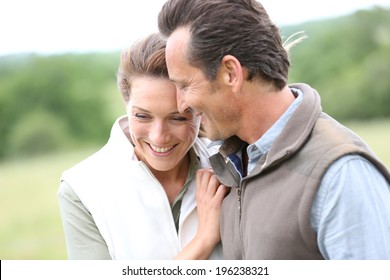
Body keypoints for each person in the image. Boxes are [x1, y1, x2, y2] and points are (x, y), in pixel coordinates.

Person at [158, 0, 390, 259]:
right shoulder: (230, 164)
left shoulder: (341, 174)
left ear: (230, 73)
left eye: (185, 86)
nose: (181, 104)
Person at [57, 33, 227, 260]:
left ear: (199, 110)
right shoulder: (81, 189)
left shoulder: (230, 165)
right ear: (126, 104)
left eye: (177, 118)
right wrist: (204, 238)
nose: (159, 137)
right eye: (142, 116)